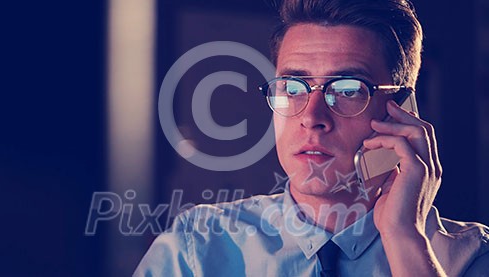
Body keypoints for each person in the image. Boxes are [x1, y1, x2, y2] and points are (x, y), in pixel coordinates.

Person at [134, 0, 489, 276]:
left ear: (402, 110)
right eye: (293, 87)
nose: (311, 117)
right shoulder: (196, 247)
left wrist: (404, 237)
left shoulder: (470, 256)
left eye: (348, 89)